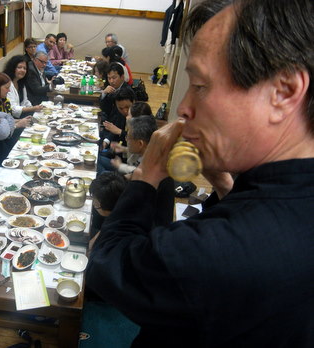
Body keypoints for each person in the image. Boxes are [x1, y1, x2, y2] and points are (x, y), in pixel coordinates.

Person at [87, 0, 314, 346]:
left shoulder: (231, 250)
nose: (183, 108)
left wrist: (147, 172)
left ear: (283, 92)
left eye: (201, 85)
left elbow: (109, 262)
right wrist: (225, 184)